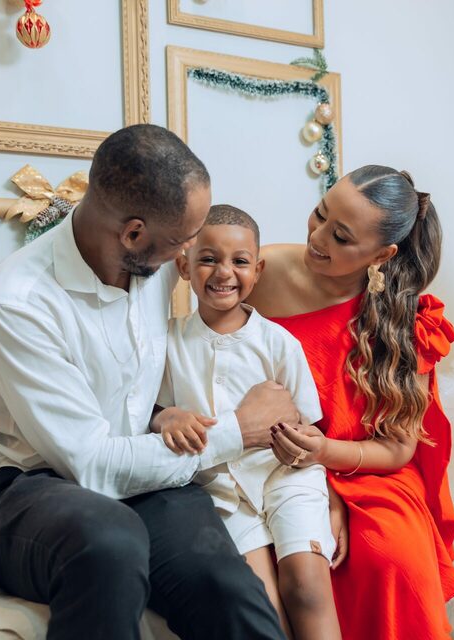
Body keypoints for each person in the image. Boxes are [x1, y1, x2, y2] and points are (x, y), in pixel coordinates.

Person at [0, 124, 295, 640]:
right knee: (112, 541)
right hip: (39, 488)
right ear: (133, 234)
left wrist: (160, 414)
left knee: (228, 589)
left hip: (148, 473)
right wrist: (240, 429)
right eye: (185, 240)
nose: (191, 252)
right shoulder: (16, 304)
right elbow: (92, 464)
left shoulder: (150, 261)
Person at [246, 165, 454, 640]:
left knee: (392, 557)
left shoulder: (406, 322)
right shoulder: (260, 272)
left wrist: (327, 457)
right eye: (319, 214)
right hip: (272, 459)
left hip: (369, 471)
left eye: (341, 237)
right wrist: (319, 487)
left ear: (382, 255)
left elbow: (398, 450)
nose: (317, 237)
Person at [152, 204, 341, 640]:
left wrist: (332, 502)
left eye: (239, 261)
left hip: (286, 478)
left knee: (307, 586)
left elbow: (312, 428)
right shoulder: (168, 342)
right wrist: (167, 416)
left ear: (256, 271)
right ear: (184, 266)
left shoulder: (278, 342)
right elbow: (151, 414)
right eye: (208, 259)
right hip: (220, 491)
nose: (224, 272)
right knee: (260, 601)